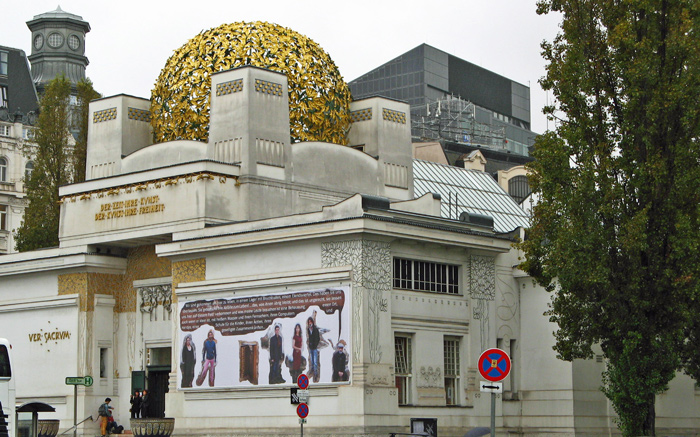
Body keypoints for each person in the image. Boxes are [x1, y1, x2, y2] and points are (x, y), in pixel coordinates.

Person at [306, 311, 321, 383]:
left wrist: (315, 345)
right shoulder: (308, 330)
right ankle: (312, 372)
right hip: (310, 348)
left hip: (314, 348)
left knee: (315, 362)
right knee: (311, 361)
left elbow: (317, 338)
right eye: (309, 322)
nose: (310, 323)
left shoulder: (315, 329)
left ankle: (315, 375)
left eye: (310, 322)